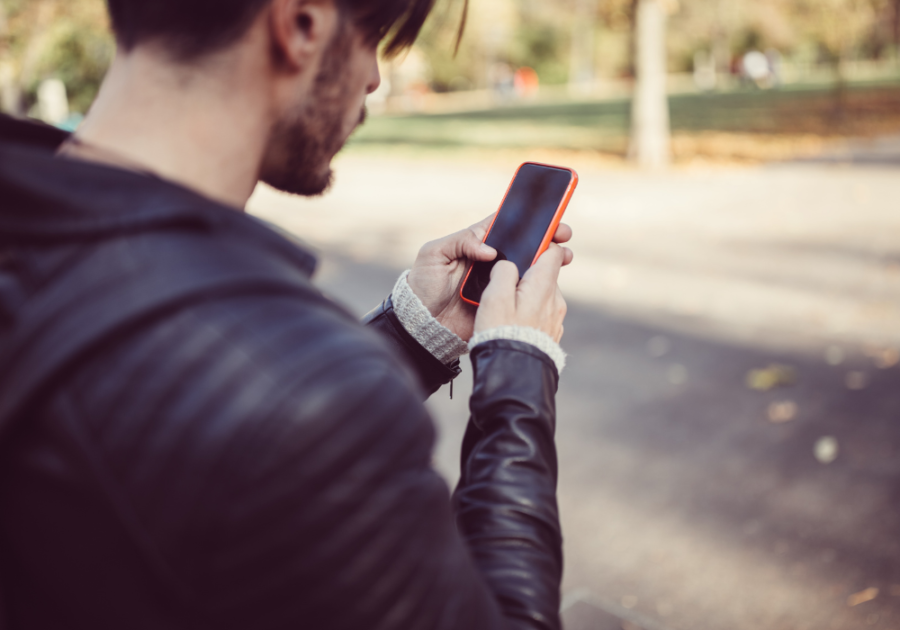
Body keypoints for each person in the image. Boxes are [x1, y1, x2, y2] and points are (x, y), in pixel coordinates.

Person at [0, 0, 574, 628]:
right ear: (301, 25)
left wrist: (410, 333)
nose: (374, 79)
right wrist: (519, 367)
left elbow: (205, 436)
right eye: (372, 39)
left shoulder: (32, 225)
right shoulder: (301, 391)